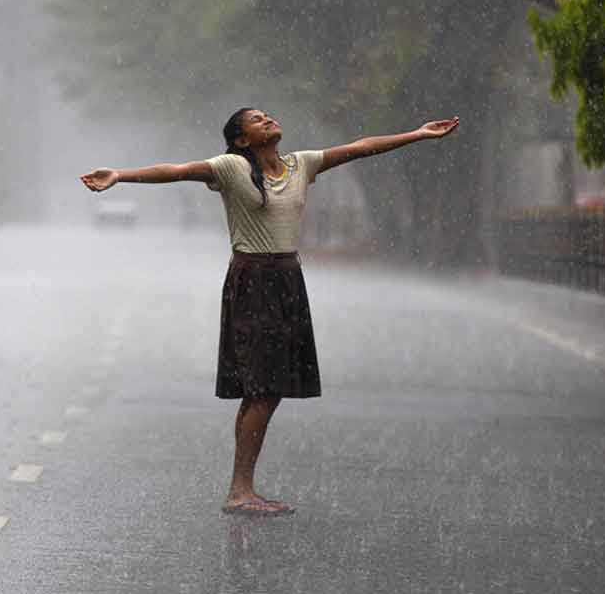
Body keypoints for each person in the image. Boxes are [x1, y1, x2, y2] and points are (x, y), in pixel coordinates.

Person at [79, 108, 459, 515]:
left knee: (268, 389)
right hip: (252, 279)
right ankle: (240, 490)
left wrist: (417, 134)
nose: (268, 120)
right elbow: (175, 170)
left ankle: (243, 488)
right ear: (242, 140)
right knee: (260, 388)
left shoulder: (301, 164)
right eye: (256, 120)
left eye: (267, 115)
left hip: (288, 279)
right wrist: (120, 175)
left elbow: (360, 149)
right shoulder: (229, 167)